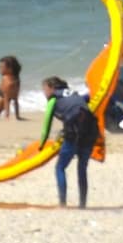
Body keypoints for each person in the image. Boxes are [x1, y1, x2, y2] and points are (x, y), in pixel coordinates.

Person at [40, 77, 98, 209]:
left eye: (44, 89)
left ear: (52, 88)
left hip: (73, 134)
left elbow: (46, 125)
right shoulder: (75, 94)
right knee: (82, 169)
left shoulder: (53, 100)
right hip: (90, 133)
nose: (44, 93)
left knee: (60, 168)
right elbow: (90, 98)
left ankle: (62, 203)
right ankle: (82, 204)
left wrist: (41, 145)